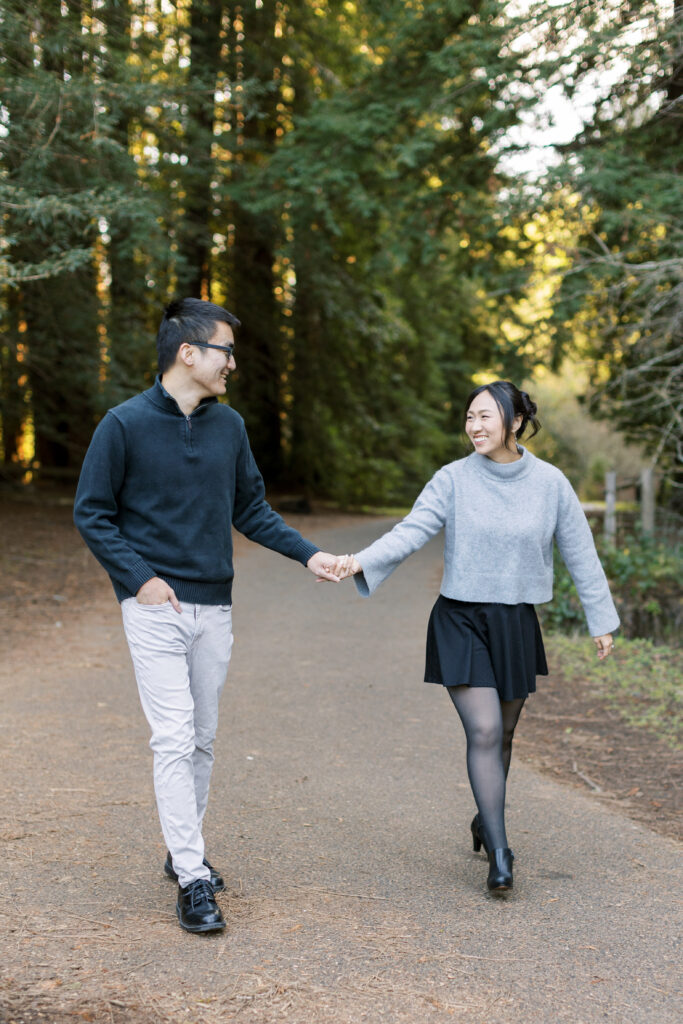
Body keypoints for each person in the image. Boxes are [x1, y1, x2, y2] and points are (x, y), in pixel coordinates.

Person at [74, 298, 341, 934]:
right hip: (155, 609)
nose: (233, 363)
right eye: (224, 349)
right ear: (187, 353)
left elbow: (251, 511)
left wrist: (310, 556)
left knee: (201, 739)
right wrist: (140, 580)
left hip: (214, 606)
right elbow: (92, 512)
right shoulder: (123, 424)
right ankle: (193, 879)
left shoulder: (230, 428)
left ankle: (180, 848)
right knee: (171, 738)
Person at [332, 381, 619, 895]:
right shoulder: (453, 479)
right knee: (484, 731)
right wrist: (360, 560)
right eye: (469, 416)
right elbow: (412, 530)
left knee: (504, 735)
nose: (475, 426)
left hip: (514, 623)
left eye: (486, 416)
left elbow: (581, 551)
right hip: (460, 619)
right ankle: (501, 853)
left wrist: (601, 618)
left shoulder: (551, 483)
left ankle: (485, 817)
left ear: (513, 422)